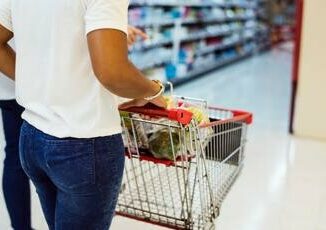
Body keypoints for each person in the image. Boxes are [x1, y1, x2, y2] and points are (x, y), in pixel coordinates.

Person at [0, 0, 163, 227]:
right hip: (84, 144)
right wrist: (154, 90)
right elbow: (112, 72)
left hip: (32, 137)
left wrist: (38, 84)